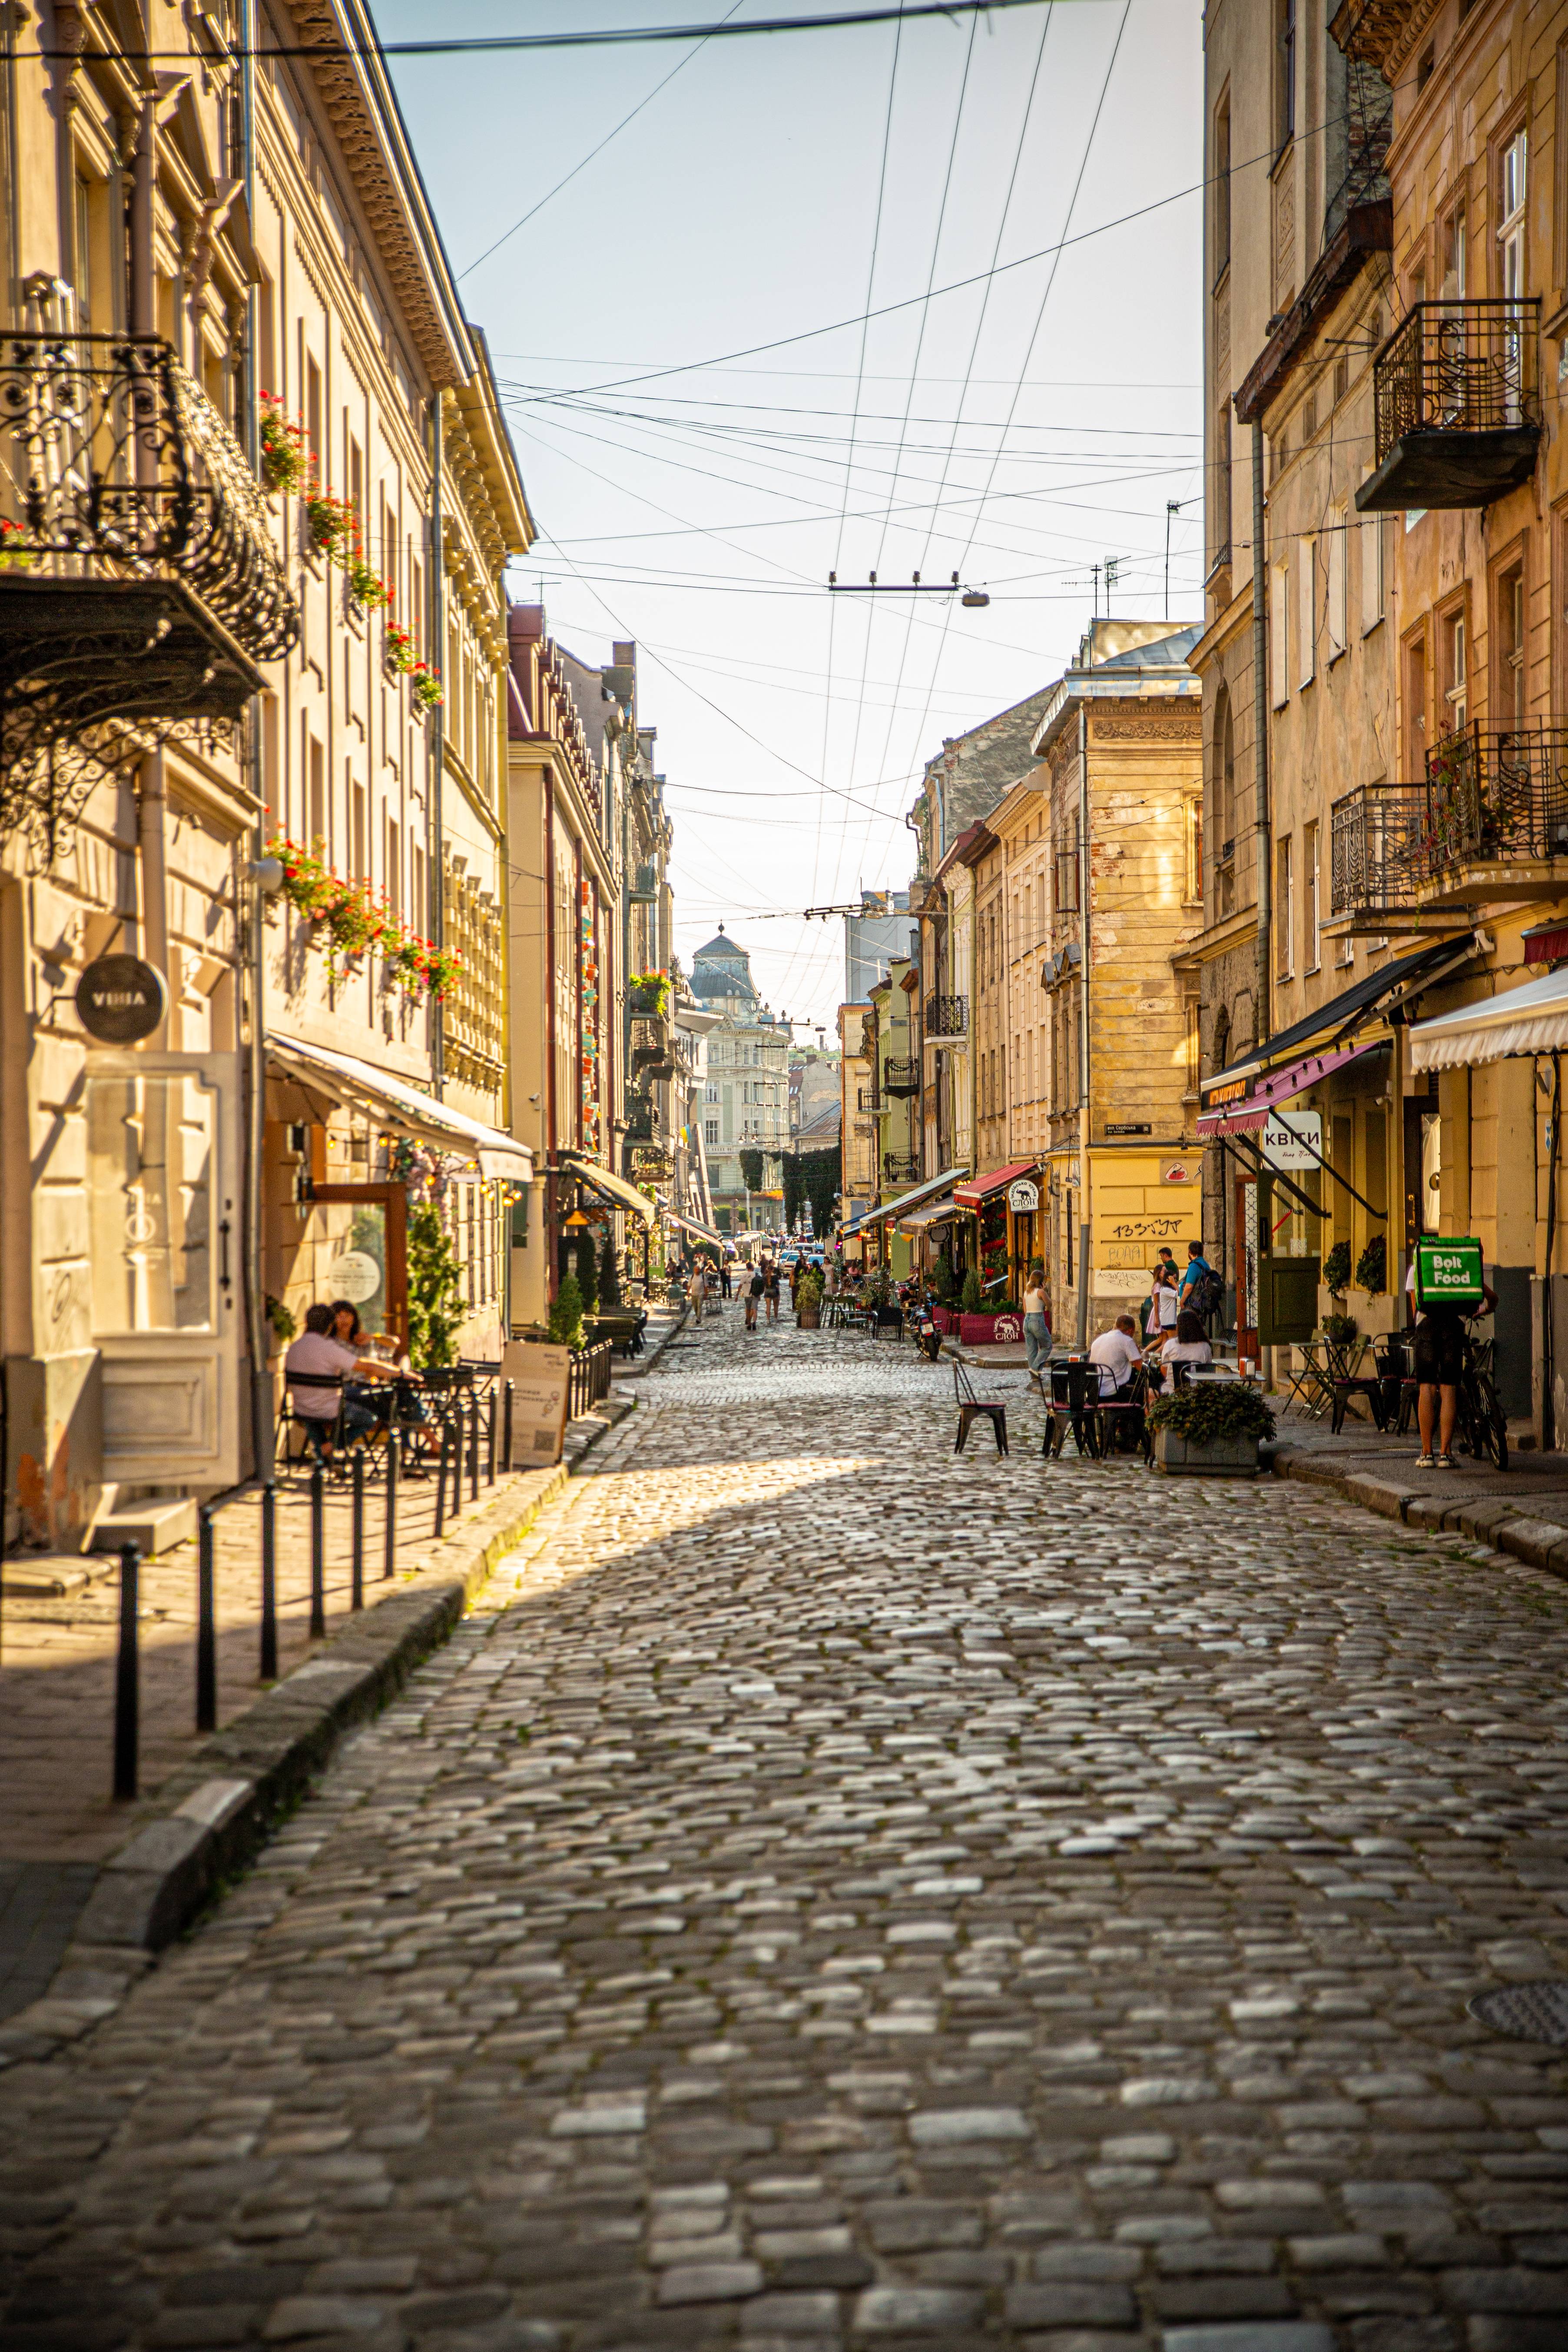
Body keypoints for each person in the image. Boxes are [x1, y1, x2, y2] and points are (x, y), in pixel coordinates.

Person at [1406, 1253, 1498, 1468]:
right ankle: (1445, 1455)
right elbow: (1493, 1298)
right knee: (1449, 1389)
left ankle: (1427, 1454)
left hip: (1426, 1327)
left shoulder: (1418, 1267)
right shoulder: (1463, 1269)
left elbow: (1415, 1308)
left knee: (1427, 1389)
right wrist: (1486, 1310)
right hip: (1454, 1328)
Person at [283, 1302, 396, 1458]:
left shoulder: (294, 1347)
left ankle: (324, 1455)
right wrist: (400, 1373)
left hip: (301, 1408)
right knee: (368, 1419)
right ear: (330, 1325)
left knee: (312, 1415)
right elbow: (363, 1366)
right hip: (330, 1408)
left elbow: (288, 1387)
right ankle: (327, 1450)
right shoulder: (329, 1348)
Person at [1088, 1313, 1144, 1401]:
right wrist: (1139, 1354)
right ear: (1130, 1331)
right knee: (1149, 1393)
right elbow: (1141, 1367)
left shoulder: (1099, 1340)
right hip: (1114, 1392)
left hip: (1095, 1391)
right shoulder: (1127, 1340)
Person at [1159, 1307, 1214, 1385]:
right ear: (1198, 1326)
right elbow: (1208, 1371)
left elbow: (1164, 1371)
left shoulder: (1170, 1345)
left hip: (1172, 1390)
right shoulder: (1205, 1347)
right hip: (1198, 1392)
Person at [1022, 1263, 1051, 1388]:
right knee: (1047, 1346)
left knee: (1032, 1350)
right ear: (1040, 1281)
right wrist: (1045, 1291)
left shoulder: (1026, 1293)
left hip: (1027, 1321)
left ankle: (1034, 1378)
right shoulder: (1040, 1292)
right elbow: (1050, 1304)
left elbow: (1025, 1310)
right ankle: (1035, 1369)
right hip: (1037, 1320)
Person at [746, 1259, 764, 1331]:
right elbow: (761, 1285)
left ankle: (749, 1323)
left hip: (748, 1294)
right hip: (756, 1294)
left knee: (748, 1309)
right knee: (755, 1310)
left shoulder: (746, 1276)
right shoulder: (757, 1275)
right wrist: (759, 1293)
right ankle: (754, 1323)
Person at [765, 1257, 781, 1322]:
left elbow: (764, 1287)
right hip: (774, 1291)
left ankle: (768, 1320)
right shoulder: (775, 1277)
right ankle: (776, 1318)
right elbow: (778, 1286)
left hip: (768, 1291)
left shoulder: (765, 1277)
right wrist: (779, 1293)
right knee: (776, 1306)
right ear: (772, 1270)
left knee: (768, 1307)